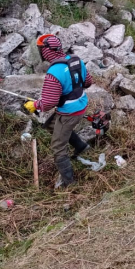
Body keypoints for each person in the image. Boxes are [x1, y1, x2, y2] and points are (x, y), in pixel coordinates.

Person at [24, 34, 94, 189]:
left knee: (57, 147)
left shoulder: (53, 73)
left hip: (70, 112)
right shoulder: (76, 60)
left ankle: (70, 184)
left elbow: (49, 103)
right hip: (81, 104)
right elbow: (88, 82)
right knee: (50, 124)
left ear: (45, 52)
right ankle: (81, 147)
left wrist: (35, 105)